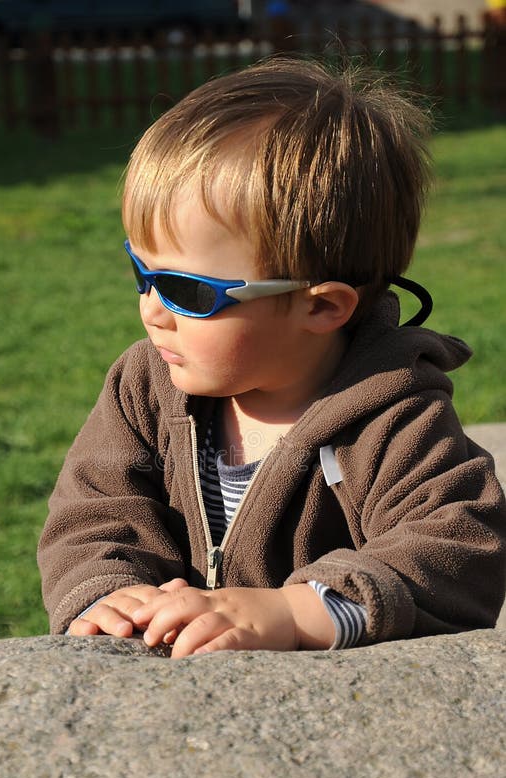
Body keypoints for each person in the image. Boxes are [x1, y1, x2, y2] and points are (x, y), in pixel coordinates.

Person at [38, 57, 506, 658]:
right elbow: (94, 513)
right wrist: (107, 592)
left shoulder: (392, 416)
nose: (152, 309)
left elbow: (460, 549)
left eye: (188, 291)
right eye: (140, 271)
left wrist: (295, 612)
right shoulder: (145, 386)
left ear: (322, 308)